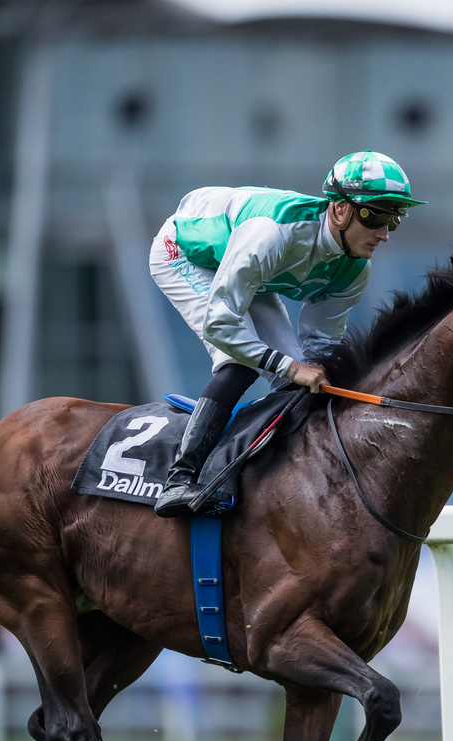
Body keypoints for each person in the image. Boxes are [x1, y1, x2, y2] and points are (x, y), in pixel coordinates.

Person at [147, 150, 425, 517]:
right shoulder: (272, 234)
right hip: (183, 253)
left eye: (395, 218)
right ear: (340, 209)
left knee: (301, 386)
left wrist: (303, 372)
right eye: (375, 215)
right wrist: (292, 368)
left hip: (245, 268)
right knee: (239, 362)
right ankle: (180, 479)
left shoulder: (356, 270)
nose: (384, 233)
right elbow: (220, 325)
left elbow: (319, 348)